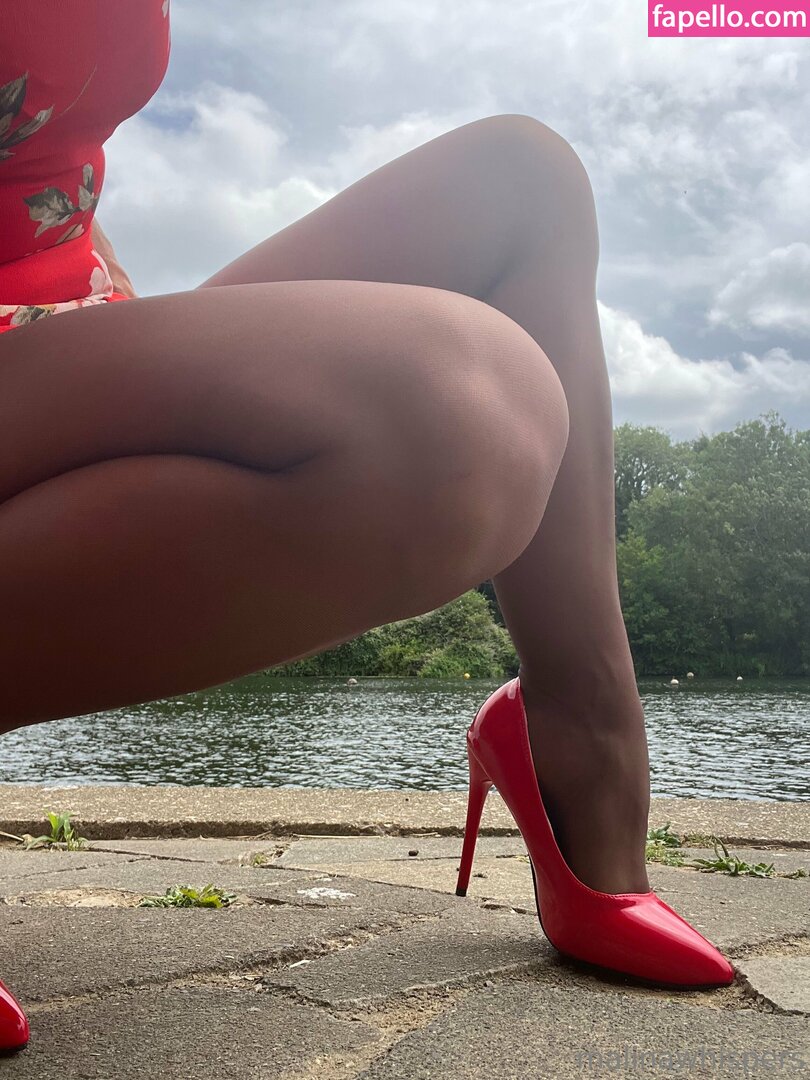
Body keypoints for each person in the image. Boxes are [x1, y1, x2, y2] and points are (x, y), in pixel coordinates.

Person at [0, 0, 734, 1054]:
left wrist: (120, 340)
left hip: (47, 329)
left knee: (522, 184)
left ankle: (582, 749)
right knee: (457, 415)